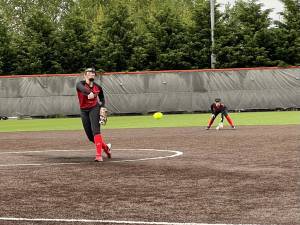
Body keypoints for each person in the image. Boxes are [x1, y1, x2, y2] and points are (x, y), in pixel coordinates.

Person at [76, 68, 111, 162]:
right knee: (90, 137)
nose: (92, 74)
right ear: (85, 75)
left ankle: (98, 155)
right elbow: (82, 89)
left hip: (94, 108)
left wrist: (102, 106)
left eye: (93, 73)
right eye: (89, 73)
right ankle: (106, 148)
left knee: (96, 131)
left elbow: (102, 98)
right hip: (83, 110)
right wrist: (90, 92)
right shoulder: (80, 84)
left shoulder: (98, 87)